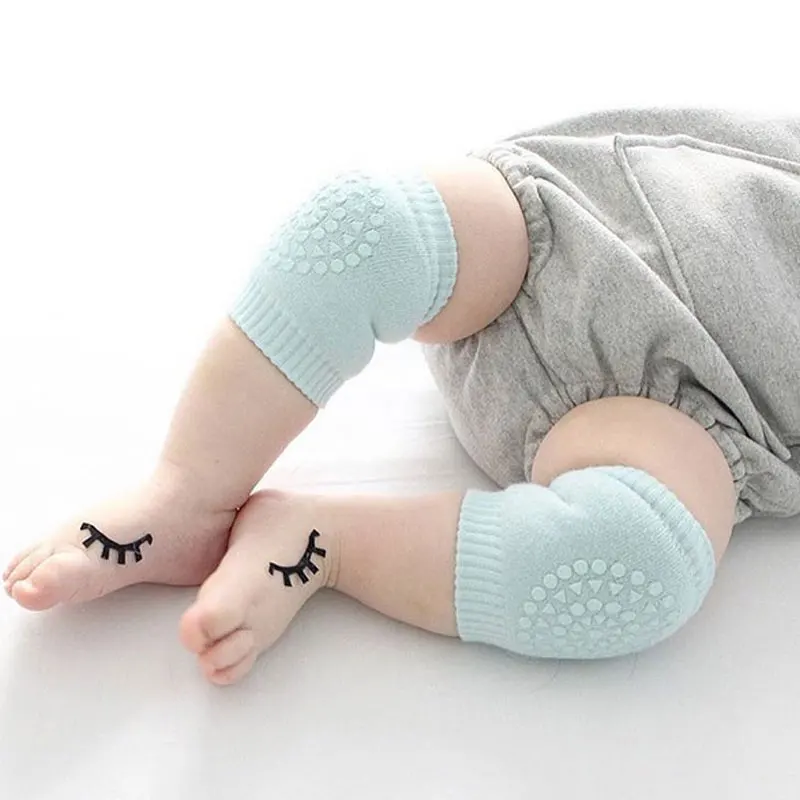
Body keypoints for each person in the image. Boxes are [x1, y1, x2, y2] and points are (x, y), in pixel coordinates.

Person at [5, 107, 800, 686]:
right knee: (368, 226)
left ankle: (325, 541)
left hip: (692, 414)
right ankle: (188, 490)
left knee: (638, 565)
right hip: (567, 228)